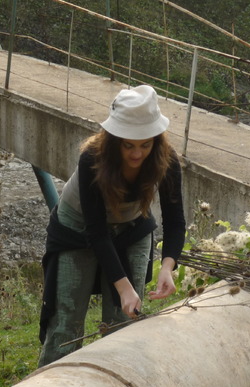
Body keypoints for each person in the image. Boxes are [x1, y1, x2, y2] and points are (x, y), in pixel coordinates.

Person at [38, 85, 186, 367]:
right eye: (127, 145)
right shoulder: (92, 158)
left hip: (132, 229)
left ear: (156, 139)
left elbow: (175, 220)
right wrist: (123, 286)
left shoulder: (167, 160)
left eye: (145, 145)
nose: (136, 154)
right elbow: (96, 231)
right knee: (66, 322)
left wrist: (168, 267)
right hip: (77, 229)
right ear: (113, 138)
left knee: (124, 320)